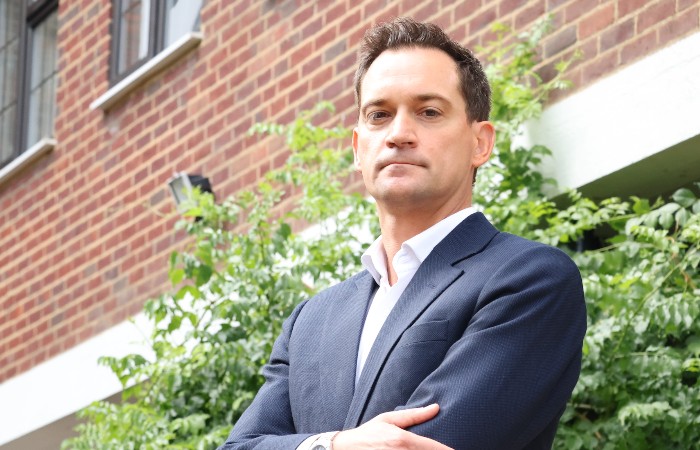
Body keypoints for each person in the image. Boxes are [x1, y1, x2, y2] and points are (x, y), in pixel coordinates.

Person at [218, 17, 586, 450]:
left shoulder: (530, 279)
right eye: (379, 115)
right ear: (358, 149)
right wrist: (334, 445)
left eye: (429, 112)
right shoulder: (310, 321)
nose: (398, 134)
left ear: (480, 143)